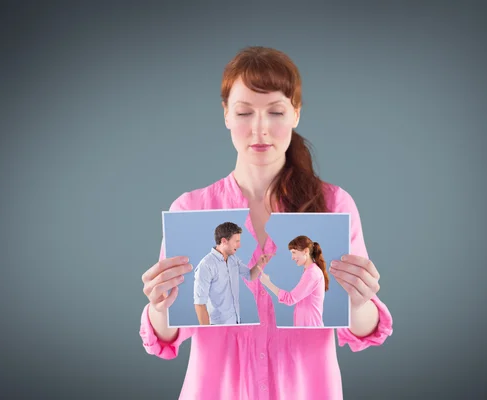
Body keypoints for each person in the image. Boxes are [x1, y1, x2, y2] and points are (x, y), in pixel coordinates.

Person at [140, 46, 393, 400]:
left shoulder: (334, 206)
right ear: (226, 115)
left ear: (296, 114)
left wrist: (360, 301)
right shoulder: (190, 209)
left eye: (275, 111)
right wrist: (158, 306)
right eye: (244, 112)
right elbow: (170, 334)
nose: (260, 129)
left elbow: (360, 329)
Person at [193, 221, 273, 325]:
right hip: (217, 327)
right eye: (236, 241)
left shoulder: (233, 259)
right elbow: (199, 304)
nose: (239, 245)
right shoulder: (206, 265)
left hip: (235, 323)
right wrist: (207, 333)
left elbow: (249, 276)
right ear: (224, 241)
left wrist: (260, 263)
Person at [258, 235, 328, 327]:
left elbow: (290, 299)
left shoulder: (312, 274)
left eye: (294, 252)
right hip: (307, 330)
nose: (292, 257)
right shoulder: (309, 271)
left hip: (311, 330)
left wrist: (267, 283)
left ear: (306, 251)